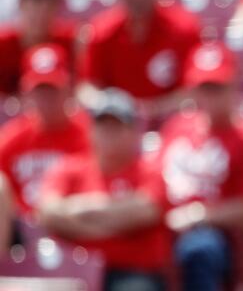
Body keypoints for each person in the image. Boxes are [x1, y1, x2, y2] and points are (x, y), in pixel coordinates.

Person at [156, 41, 243, 291]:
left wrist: (197, 216)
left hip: (214, 231)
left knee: (199, 248)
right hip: (161, 223)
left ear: (233, 87)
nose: (209, 97)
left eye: (217, 88)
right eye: (203, 88)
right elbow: (154, 180)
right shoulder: (176, 127)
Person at [38, 88, 169, 291]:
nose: (109, 133)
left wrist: (76, 216)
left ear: (134, 132)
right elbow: (48, 213)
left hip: (132, 272)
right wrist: (116, 225)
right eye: (103, 125)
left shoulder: (148, 170)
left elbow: (146, 210)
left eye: (117, 126)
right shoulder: (70, 168)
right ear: (91, 130)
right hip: (72, 270)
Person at [78, 0, 201, 118]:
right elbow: (87, 89)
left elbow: (195, 90)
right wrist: (115, 106)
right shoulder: (102, 31)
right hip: (118, 125)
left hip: (172, 123)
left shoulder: (183, 28)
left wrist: (152, 110)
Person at [0, 44, 90, 250]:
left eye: (52, 90)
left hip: (70, 224)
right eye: (40, 91)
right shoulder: (13, 137)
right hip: (20, 231)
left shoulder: (87, 135)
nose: (46, 100)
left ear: (68, 89)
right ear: (26, 92)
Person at [0, 0, 75, 94]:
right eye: (33, 14)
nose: (40, 20)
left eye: (46, 13)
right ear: (21, 5)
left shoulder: (69, 40)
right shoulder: (3, 44)